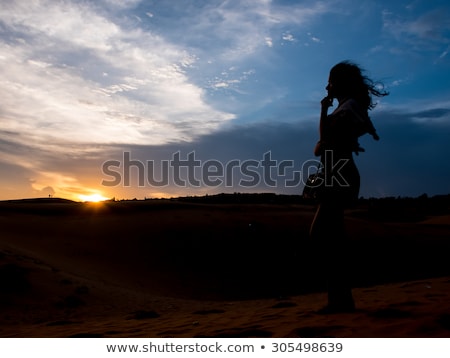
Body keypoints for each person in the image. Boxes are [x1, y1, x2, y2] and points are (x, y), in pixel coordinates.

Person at [309, 60, 388, 313]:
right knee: (329, 238)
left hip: (340, 173)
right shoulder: (347, 107)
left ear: (339, 83)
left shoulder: (350, 107)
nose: (326, 86)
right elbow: (322, 146)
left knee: (323, 236)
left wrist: (324, 114)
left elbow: (323, 143)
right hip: (336, 172)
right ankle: (340, 300)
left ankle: (341, 301)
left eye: (330, 81)